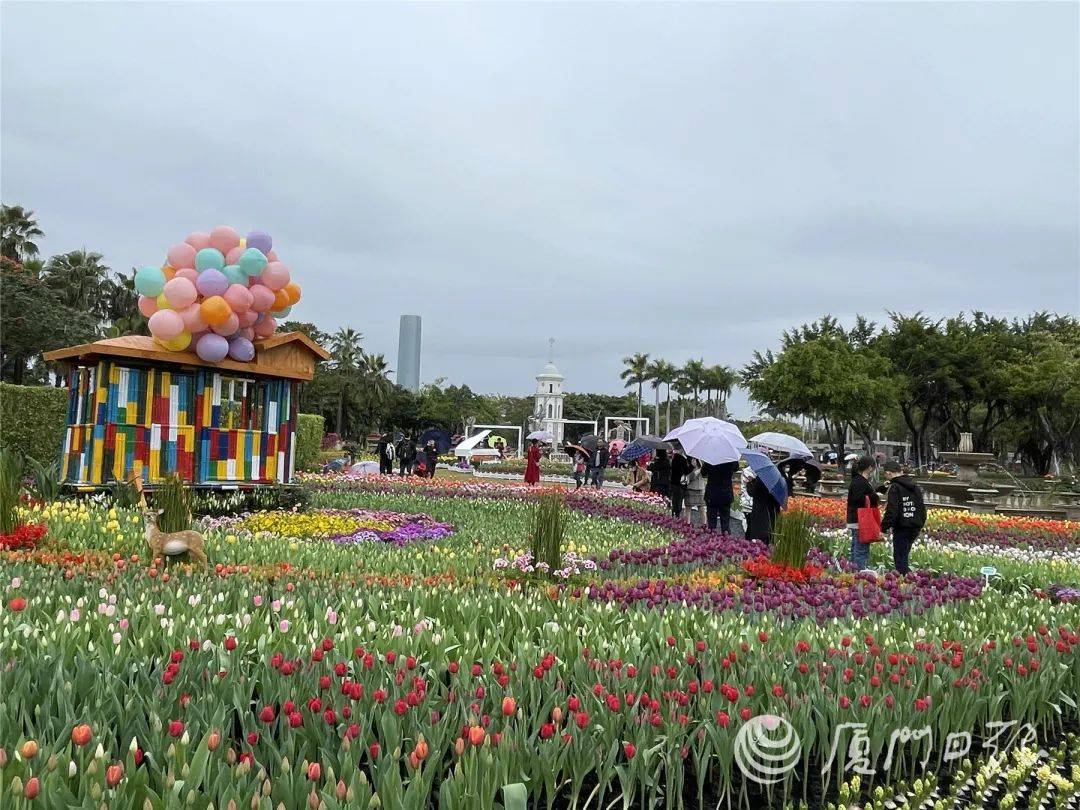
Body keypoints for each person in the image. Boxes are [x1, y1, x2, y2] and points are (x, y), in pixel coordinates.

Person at [880, 460, 926, 575]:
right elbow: (921, 507)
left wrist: (883, 527)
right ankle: (907, 580)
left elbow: (892, 510)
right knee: (904, 554)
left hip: (902, 527)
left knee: (900, 558)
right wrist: (920, 523)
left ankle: (903, 583)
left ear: (889, 473)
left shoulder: (895, 487)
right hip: (915, 526)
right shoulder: (915, 486)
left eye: (885, 474)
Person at [846, 456, 879, 570]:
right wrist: (874, 496)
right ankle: (859, 574)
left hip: (857, 519)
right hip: (861, 520)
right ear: (870, 468)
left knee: (856, 548)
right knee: (861, 549)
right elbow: (858, 498)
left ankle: (854, 572)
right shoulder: (860, 481)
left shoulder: (858, 480)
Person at [744, 474, 783, 542]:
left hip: (760, 509)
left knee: (760, 532)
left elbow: (752, 492)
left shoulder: (761, 477)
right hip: (773, 509)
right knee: (771, 528)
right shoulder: (778, 478)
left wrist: (750, 483)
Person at [703, 460, 738, 533]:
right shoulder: (731, 458)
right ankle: (725, 539)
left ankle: (712, 540)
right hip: (726, 492)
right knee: (725, 519)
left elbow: (703, 473)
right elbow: (736, 468)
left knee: (712, 519)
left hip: (712, 492)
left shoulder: (710, 458)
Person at [683, 457, 706, 527]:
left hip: (700, 488)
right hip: (690, 488)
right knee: (688, 507)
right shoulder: (687, 465)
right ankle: (687, 524)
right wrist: (696, 471)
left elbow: (705, 475)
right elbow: (687, 478)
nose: (694, 461)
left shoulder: (702, 463)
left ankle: (704, 524)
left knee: (702, 508)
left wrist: (701, 468)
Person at [669, 447, 691, 518]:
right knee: (678, 501)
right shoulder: (681, 459)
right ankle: (676, 515)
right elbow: (686, 471)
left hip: (674, 483)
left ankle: (674, 514)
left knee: (675, 500)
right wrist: (692, 466)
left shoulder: (675, 458)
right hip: (680, 484)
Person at [739, 464, 756, 528]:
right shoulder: (746, 471)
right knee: (749, 526)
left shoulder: (746, 471)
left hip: (749, 503)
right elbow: (744, 488)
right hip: (748, 504)